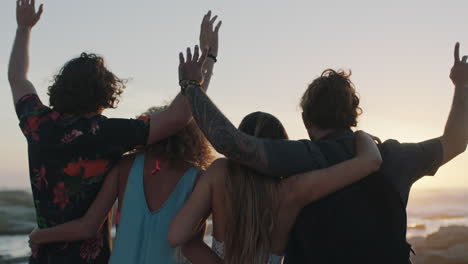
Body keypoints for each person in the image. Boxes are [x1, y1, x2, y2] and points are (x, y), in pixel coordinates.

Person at [177, 38, 468, 263]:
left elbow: (231, 142)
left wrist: (191, 85)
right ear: (352, 117)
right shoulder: (395, 156)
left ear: (306, 120)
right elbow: (456, 141)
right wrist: (462, 85)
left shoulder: (300, 158)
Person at [9, 1, 219, 263]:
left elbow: (17, 78)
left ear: (60, 88)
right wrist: (200, 70)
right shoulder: (107, 132)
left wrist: (23, 29)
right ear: (106, 92)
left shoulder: (38, 124)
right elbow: (180, 116)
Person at [168, 111, 382, 264]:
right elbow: (370, 161)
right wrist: (361, 136)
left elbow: (177, 237)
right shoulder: (291, 189)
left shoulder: (220, 172)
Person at [29, 104, 220, 264]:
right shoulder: (198, 179)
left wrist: (40, 236)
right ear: (193, 141)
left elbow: (88, 226)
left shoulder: (125, 166)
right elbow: (191, 247)